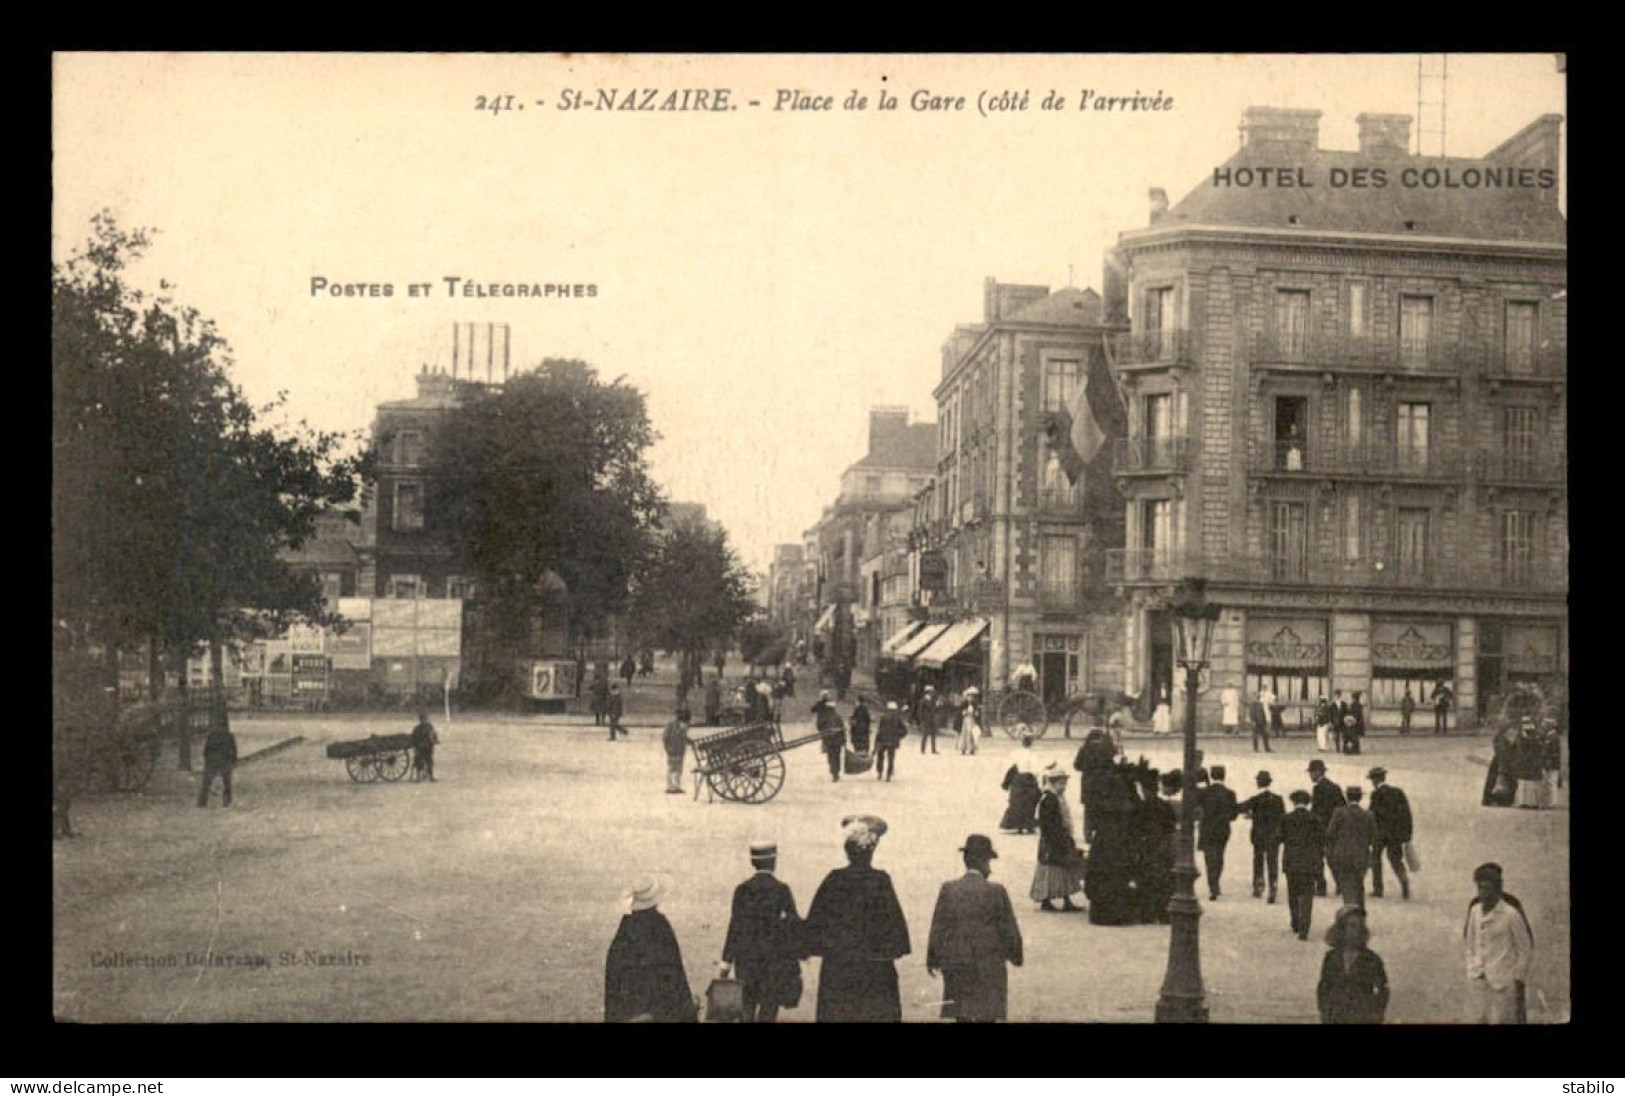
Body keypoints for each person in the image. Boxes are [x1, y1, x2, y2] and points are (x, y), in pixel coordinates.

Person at [802, 815, 911, 1022]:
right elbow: (895, 926)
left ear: (847, 852)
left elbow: (815, 924)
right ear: (871, 852)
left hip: (839, 970)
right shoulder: (880, 881)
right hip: (875, 971)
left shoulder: (834, 879)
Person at [927, 834, 1024, 1023]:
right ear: (983, 861)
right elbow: (1008, 928)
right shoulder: (996, 891)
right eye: (988, 861)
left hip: (957, 961)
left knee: (961, 1011)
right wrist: (1015, 954)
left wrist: (933, 958)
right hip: (989, 963)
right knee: (987, 1012)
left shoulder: (949, 888)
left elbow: (938, 926)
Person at [720, 840, 804, 1023]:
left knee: (747, 1008)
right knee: (769, 1008)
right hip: (773, 963)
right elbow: (793, 924)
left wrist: (726, 962)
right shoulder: (782, 890)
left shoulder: (742, 890)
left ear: (753, 862)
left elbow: (735, 926)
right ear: (774, 861)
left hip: (746, 961)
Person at [604, 875, 697, 1023]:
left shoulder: (623, 931)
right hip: (658, 1013)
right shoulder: (660, 927)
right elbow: (675, 972)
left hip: (629, 1013)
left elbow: (613, 981)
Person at [1463, 862, 1534, 1024]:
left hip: (1503, 981)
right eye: (1480, 888)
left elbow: (1525, 947)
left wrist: (1517, 978)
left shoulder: (1511, 912)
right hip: (1479, 978)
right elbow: (1468, 941)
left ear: (1498, 888)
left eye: (1488, 888)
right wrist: (1472, 967)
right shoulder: (1475, 909)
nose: (1484, 894)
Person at [1316, 907, 1389, 1024]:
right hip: (1336, 1016)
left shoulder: (1371, 959)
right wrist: (1324, 1010)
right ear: (1342, 930)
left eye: (1361, 926)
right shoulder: (1332, 957)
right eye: (1352, 926)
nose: (1357, 931)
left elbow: (1383, 989)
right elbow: (1324, 986)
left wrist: (1376, 1013)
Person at [1030, 768, 1084, 912]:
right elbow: (1048, 823)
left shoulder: (1055, 797)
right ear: (1053, 783)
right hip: (1053, 839)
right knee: (1054, 869)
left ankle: (1062, 899)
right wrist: (1060, 838)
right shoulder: (1050, 799)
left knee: (1061, 869)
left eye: (1065, 783)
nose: (1064, 786)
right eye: (1061, 783)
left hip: (1056, 838)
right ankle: (1050, 900)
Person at [1281, 790, 1325, 940]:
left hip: (1291, 862)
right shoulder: (1315, 819)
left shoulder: (1287, 818)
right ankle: (1305, 927)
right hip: (1310, 863)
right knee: (1307, 895)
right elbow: (1322, 840)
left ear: (1293, 802)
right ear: (1308, 802)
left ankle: (1295, 922)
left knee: (1293, 893)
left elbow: (1278, 838)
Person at [1325, 785, 1377, 910]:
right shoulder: (1368, 815)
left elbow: (1330, 833)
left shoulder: (1339, 812)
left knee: (1347, 887)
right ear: (1360, 798)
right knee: (1359, 885)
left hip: (1342, 855)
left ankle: (1351, 917)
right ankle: (1360, 914)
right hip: (1361, 856)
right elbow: (1374, 837)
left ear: (1347, 797)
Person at [1238, 770, 1284, 902]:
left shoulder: (1255, 799)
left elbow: (1240, 807)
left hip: (1259, 834)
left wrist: (1252, 815)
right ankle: (1273, 884)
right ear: (1269, 782)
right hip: (1273, 835)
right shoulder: (1278, 799)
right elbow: (1282, 816)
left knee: (1258, 859)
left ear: (1258, 783)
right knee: (1272, 861)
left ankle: (1258, 884)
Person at [1367, 768, 1413, 900]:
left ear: (1375, 780)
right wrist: (1407, 834)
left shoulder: (1376, 794)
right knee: (1395, 860)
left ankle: (1378, 889)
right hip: (1395, 834)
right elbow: (1406, 814)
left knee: (1376, 859)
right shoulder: (1398, 792)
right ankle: (1403, 880)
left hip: (1380, 833)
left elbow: (1372, 814)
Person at [1197, 764, 1238, 901]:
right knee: (1219, 856)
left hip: (1207, 829)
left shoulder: (1203, 792)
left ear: (1211, 775)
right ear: (1224, 776)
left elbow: (1197, 809)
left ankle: (1212, 885)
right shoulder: (1230, 793)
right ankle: (1216, 882)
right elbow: (1233, 815)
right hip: (1222, 829)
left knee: (1209, 858)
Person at [1308, 760, 1346, 896]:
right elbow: (1342, 806)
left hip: (1321, 827)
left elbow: (1316, 810)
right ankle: (1340, 884)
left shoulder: (1318, 788)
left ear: (1318, 772)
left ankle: (1321, 886)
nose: (1310, 776)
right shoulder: (1335, 787)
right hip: (1335, 827)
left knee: (1317, 858)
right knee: (1332, 858)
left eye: (1311, 772)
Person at [1000, 730, 1041, 834]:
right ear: (1031, 742)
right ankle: (1028, 825)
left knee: (1017, 802)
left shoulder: (1015, 753)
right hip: (1029, 779)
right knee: (1030, 803)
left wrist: (1007, 782)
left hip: (1018, 779)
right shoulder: (1034, 755)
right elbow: (1037, 770)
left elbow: (1009, 767)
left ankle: (1018, 825)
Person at [197, 713, 238, 808]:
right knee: (226, 782)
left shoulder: (212, 735)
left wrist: (207, 759)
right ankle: (226, 801)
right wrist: (233, 760)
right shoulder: (229, 736)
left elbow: (206, 750)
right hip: (225, 760)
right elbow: (233, 749)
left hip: (212, 760)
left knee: (206, 782)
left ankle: (202, 802)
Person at [814, 691, 846, 782]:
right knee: (837, 756)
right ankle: (837, 772)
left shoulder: (824, 718)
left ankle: (833, 772)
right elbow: (842, 729)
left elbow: (820, 727)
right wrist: (844, 741)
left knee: (831, 757)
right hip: (838, 741)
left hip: (829, 741)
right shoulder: (838, 717)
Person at [874, 701, 906, 782]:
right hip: (892, 741)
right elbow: (904, 730)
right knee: (891, 758)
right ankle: (888, 774)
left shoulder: (883, 717)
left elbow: (880, 730)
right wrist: (898, 736)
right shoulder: (898, 719)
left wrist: (877, 740)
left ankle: (880, 772)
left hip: (883, 740)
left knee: (880, 756)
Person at [662, 708, 690, 794]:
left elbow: (685, 738)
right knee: (672, 768)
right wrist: (667, 747)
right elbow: (665, 737)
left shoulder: (682, 728)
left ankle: (676, 786)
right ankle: (671, 786)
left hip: (680, 751)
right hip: (672, 750)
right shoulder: (671, 726)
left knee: (678, 768)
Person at [410, 707, 439, 782]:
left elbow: (413, 738)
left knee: (419, 760)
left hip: (420, 748)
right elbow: (433, 735)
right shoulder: (429, 727)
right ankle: (431, 776)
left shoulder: (416, 728)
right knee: (429, 760)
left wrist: (415, 746)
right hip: (427, 747)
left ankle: (418, 777)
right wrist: (435, 741)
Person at [1540, 719, 1562, 809]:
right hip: (1551, 763)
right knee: (1550, 782)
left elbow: (1552, 752)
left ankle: (1552, 802)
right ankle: (1551, 801)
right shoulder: (1551, 736)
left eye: (1545, 725)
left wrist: (1548, 760)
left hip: (1551, 763)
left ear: (1549, 726)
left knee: (1551, 782)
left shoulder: (1552, 737)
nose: (1543, 727)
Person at [957, 687, 984, 755]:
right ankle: (963, 748)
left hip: (972, 719)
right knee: (965, 733)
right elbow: (960, 711)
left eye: (972, 696)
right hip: (966, 719)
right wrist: (965, 712)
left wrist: (976, 713)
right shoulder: (964, 703)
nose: (971, 698)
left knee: (972, 734)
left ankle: (971, 749)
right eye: (969, 696)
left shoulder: (974, 704)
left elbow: (977, 712)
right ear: (967, 696)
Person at [917, 685, 941, 754]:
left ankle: (933, 749)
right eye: (930, 692)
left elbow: (934, 710)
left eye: (932, 692)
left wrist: (937, 705)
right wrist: (922, 720)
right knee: (925, 734)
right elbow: (920, 711)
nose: (932, 693)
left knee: (933, 734)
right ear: (927, 692)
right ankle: (923, 749)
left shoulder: (933, 700)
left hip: (932, 719)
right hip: (926, 720)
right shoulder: (923, 701)